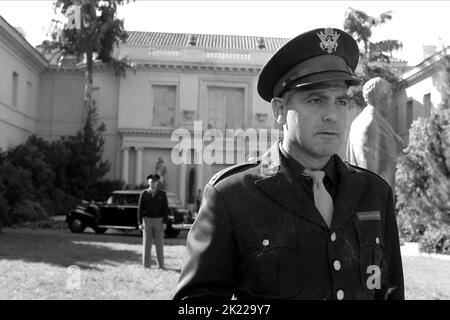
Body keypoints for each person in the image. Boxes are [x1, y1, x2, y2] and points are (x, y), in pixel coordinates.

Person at [174, 27, 404, 300]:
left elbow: (389, 290)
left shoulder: (375, 192)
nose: (332, 115)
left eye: (341, 101)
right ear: (279, 110)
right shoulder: (232, 196)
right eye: (316, 100)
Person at [346, 77, 404, 189]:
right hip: (377, 199)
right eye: (389, 98)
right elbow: (371, 172)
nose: (391, 102)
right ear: (382, 99)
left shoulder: (359, 121)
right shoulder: (372, 124)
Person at [138, 174, 170, 269]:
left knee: (159, 244)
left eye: (155, 182)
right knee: (147, 244)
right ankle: (146, 265)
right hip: (147, 220)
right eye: (151, 182)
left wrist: (165, 222)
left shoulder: (162, 194)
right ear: (148, 182)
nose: (153, 183)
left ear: (157, 183)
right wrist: (140, 223)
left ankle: (160, 265)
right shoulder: (143, 194)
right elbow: (140, 209)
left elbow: (166, 209)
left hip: (159, 221)